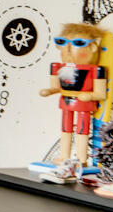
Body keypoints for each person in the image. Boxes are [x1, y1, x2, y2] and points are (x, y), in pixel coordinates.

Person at [38, 22, 108, 180]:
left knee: (82, 131)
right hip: (66, 103)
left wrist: (89, 96)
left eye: (78, 43)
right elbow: (56, 86)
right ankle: (64, 156)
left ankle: (81, 159)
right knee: (65, 130)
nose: (68, 49)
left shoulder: (96, 70)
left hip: (83, 105)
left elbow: (100, 93)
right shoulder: (58, 67)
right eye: (62, 42)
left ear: (93, 47)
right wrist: (49, 90)